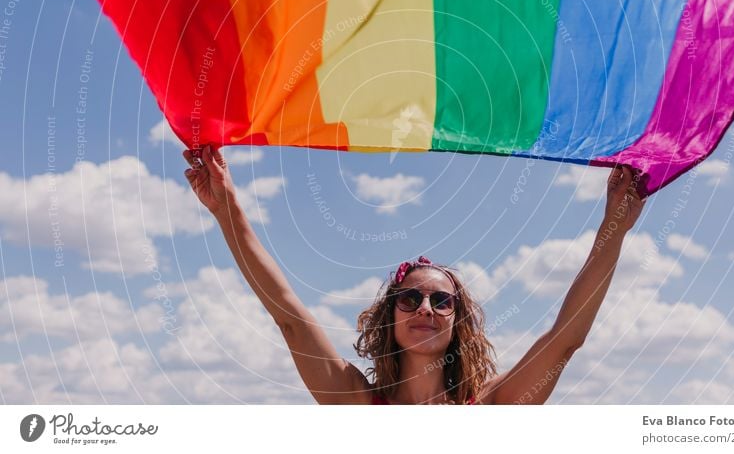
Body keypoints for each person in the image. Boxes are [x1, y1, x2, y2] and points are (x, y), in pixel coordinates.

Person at [183, 145, 646, 405]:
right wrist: (227, 211)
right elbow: (289, 316)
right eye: (410, 299)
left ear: (456, 321)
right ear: (391, 315)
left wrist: (614, 227)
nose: (426, 308)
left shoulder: (489, 409)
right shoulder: (357, 406)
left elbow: (566, 339)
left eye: (442, 301)